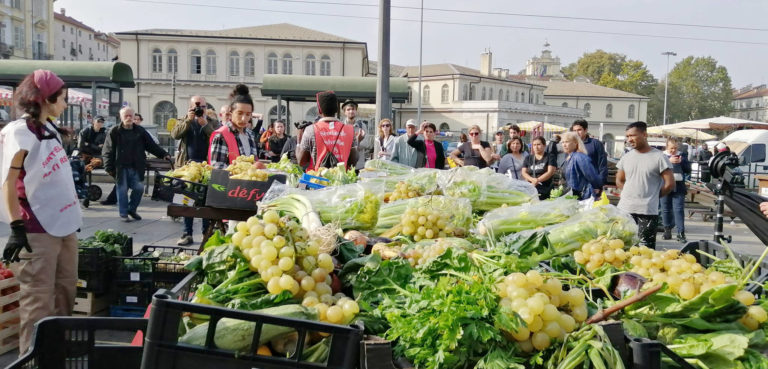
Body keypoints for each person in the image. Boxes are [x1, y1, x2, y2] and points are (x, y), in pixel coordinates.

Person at [0, 70, 82, 354]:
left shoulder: (48, 129)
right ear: (46, 98)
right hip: (36, 228)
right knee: (38, 299)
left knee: (65, 290)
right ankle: (32, 358)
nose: (66, 104)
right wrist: (15, 227)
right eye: (63, 98)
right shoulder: (19, 132)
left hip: (64, 224)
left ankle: (56, 352)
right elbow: (8, 182)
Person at [103, 106, 170, 222]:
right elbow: (107, 150)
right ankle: (124, 213)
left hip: (136, 166)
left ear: (134, 117)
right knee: (122, 190)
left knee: (139, 188)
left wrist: (163, 154)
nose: (129, 118)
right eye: (126, 116)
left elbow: (151, 145)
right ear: (121, 117)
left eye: (131, 116)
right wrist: (108, 166)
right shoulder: (114, 131)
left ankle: (132, 209)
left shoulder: (140, 131)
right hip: (121, 166)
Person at [616, 121, 675, 249]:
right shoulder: (626, 157)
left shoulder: (659, 157)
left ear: (644, 134)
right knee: (623, 249)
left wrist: (653, 196)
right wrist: (628, 193)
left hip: (647, 212)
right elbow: (619, 180)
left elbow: (669, 184)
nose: (629, 139)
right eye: (627, 136)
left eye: (632, 135)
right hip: (624, 211)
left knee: (644, 252)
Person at [171, 95, 218, 246]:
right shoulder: (184, 120)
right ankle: (187, 233)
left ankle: (206, 233)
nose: (200, 109)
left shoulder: (212, 122)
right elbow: (175, 134)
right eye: (197, 107)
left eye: (203, 107)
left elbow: (217, 138)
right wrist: (188, 121)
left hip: (206, 167)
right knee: (186, 201)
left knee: (205, 201)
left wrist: (205, 125)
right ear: (190, 107)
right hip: (187, 167)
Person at [298, 91, 358, 171]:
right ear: (336, 110)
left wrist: (299, 140)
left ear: (320, 110)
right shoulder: (350, 130)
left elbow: (301, 161)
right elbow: (353, 161)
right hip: (342, 180)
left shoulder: (310, 129)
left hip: (317, 180)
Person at [208, 85, 259, 169]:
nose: (244, 118)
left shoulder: (250, 135)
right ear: (231, 113)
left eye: (248, 114)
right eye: (240, 113)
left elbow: (254, 162)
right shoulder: (221, 136)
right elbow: (218, 169)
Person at [660, 137, 691, 242]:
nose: (673, 150)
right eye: (671, 148)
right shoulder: (662, 156)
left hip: (678, 186)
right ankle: (667, 231)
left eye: (675, 148)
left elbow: (688, 170)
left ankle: (681, 233)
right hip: (665, 185)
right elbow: (656, 169)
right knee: (665, 209)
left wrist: (682, 162)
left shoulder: (682, 155)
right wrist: (669, 161)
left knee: (678, 209)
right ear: (667, 147)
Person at [560, 132, 602, 201]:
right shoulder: (569, 157)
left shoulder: (580, 157)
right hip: (570, 195)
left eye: (567, 142)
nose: (564, 145)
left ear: (576, 143)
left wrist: (596, 189)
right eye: (562, 142)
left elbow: (592, 176)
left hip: (580, 196)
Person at [570, 119, 607, 187]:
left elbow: (602, 166)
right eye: (574, 131)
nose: (576, 133)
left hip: (591, 185)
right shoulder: (570, 145)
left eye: (579, 130)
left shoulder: (596, 144)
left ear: (586, 130)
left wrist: (599, 184)